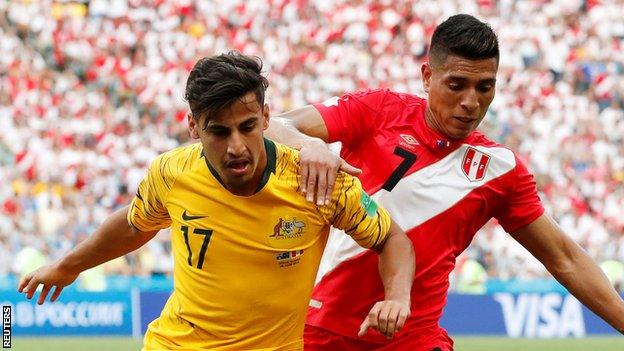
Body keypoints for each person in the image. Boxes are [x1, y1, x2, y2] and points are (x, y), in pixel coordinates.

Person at [267, 14, 624, 350]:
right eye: (457, 85)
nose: (471, 102)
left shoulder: (500, 170)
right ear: (427, 76)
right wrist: (309, 144)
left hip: (416, 336)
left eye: (485, 87)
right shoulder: (378, 110)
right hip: (321, 326)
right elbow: (272, 126)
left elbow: (565, 259)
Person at [17, 52, 415, 351]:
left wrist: (396, 296)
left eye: (247, 127)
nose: (236, 147)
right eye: (219, 132)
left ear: (266, 116)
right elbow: (137, 224)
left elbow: (392, 239)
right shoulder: (172, 172)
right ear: (193, 126)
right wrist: (67, 267)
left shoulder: (317, 180)